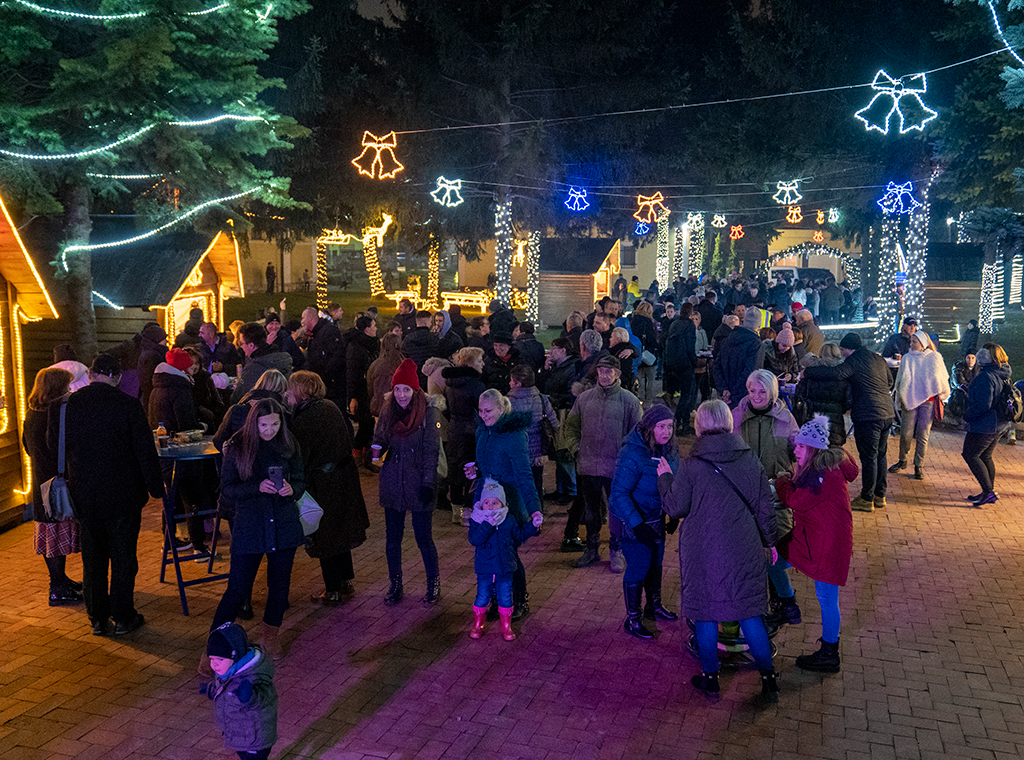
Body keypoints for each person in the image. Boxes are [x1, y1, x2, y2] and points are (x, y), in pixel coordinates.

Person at [656, 399, 779, 703]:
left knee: (706, 614)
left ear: (699, 425)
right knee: (751, 614)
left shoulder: (692, 465)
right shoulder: (750, 459)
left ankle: (711, 677)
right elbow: (765, 508)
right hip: (744, 545)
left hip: (703, 550)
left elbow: (675, 506)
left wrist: (665, 479)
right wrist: (769, 542)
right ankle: (768, 679)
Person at [59, 354, 164, 636]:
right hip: (123, 495)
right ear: (116, 377)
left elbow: (51, 443)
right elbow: (145, 450)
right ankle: (123, 615)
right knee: (123, 556)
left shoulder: (70, 406)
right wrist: (156, 488)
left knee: (93, 558)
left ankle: (96, 617)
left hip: (85, 493)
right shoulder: (128, 405)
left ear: (91, 374)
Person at [208, 398, 304, 662]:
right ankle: (214, 648)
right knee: (237, 588)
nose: (269, 430)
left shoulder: (289, 443)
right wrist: (256, 487)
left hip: (283, 524)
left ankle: (269, 636)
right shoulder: (239, 446)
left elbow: (300, 478)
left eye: (274, 424)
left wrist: (292, 489)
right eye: (264, 424)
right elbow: (227, 489)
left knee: (279, 586)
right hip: (250, 526)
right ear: (254, 422)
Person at [767, 415, 857, 674]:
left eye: (800, 446)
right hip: (813, 539)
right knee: (773, 559)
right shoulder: (823, 469)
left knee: (827, 600)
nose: (795, 450)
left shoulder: (822, 475)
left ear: (814, 449)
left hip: (825, 545)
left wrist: (783, 480)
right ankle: (787, 605)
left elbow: (795, 500)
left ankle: (830, 653)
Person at [288, 371, 369, 606]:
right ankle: (345, 580)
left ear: (302, 390)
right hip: (343, 477)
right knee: (340, 530)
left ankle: (332, 588)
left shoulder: (306, 417)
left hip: (324, 482)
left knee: (326, 535)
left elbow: (301, 454)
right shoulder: (329, 407)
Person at [467, 388, 544, 620]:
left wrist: (534, 509)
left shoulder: (514, 435)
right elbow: (487, 461)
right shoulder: (483, 430)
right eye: (480, 410)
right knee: (488, 550)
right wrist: (476, 470)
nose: (483, 415)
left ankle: (519, 598)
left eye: (488, 410)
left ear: (502, 409)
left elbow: (523, 473)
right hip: (486, 499)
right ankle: (496, 600)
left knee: (507, 553)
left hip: (507, 501)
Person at [371, 359, 442, 606]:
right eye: (398, 389)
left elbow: (431, 451)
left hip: (419, 481)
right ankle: (395, 582)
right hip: (393, 481)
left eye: (406, 389)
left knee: (423, 538)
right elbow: (379, 437)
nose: (401, 394)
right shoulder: (387, 410)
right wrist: (376, 450)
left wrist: (428, 483)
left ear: (416, 390)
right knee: (393, 538)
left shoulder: (428, 413)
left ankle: (433, 582)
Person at [563, 355, 642, 571]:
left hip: (616, 467)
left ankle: (617, 551)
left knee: (616, 511)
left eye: (609, 371)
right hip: (588, 466)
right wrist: (576, 449)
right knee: (591, 511)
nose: (604, 375)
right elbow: (570, 427)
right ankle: (592, 549)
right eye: (601, 371)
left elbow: (638, 435)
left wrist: (627, 460)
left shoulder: (629, 401)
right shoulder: (585, 399)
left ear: (617, 374)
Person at [608, 405, 679, 640]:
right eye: (661, 426)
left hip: (657, 519)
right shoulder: (633, 453)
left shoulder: (669, 449)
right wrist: (637, 525)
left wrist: (672, 514)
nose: (666, 431)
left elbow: (672, 482)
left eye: (670, 426)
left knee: (656, 564)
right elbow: (618, 493)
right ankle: (633, 619)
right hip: (634, 524)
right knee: (638, 568)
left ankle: (654, 606)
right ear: (649, 427)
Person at [803, 332, 893, 513]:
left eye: (843, 349)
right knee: (880, 455)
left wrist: (808, 371)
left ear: (849, 348)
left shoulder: (854, 361)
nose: (842, 353)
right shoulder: (877, 359)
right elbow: (890, 381)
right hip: (887, 413)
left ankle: (867, 498)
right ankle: (879, 495)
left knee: (868, 457)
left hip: (869, 415)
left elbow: (836, 373)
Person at [25, 367, 83, 606]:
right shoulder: (56, 413)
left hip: (41, 481)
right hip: (55, 482)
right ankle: (57, 586)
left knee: (50, 532)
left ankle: (60, 580)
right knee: (56, 532)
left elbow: (29, 447)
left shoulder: (31, 413)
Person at [467, 479, 541, 641]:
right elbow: (474, 539)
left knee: (506, 596)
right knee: (482, 596)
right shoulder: (478, 519)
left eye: (495, 503)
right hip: (485, 569)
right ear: (482, 503)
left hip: (505, 567)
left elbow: (519, 536)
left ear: (502, 504)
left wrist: (532, 526)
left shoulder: (508, 520)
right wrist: (487, 524)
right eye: (487, 502)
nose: (491, 506)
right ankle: (478, 624)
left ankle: (506, 626)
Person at [203, 622, 278, 760]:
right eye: (212, 658)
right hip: (240, 735)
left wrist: (250, 697)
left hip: (256, 739)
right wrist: (211, 690)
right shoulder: (226, 672)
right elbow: (224, 692)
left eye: (220, 659)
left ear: (236, 656)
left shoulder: (255, 674)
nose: (214, 664)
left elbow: (267, 697)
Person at [890, 332, 951, 479]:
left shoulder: (934, 358)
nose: (911, 344)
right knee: (906, 433)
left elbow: (942, 377)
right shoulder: (907, 358)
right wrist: (900, 397)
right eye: (911, 341)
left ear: (923, 343)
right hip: (910, 399)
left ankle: (919, 465)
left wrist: (942, 393)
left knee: (923, 434)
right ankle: (902, 460)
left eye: (914, 341)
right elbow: (901, 379)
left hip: (928, 401)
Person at [443, 347, 488, 525]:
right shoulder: (475, 385)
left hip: (455, 429)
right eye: (479, 361)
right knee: (471, 470)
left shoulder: (450, 382)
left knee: (455, 469)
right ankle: (468, 510)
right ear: (470, 364)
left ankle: (456, 510)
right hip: (471, 432)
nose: (483, 364)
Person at [962, 346, 1011, 506]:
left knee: (970, 454)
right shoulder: (1002, 372)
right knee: (985, 456)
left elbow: (983, 404)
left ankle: (988, 492)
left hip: (985, 425)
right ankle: (987, 491)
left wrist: (967, 415)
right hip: (998, 423)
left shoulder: (986, 376)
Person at [507, 364, 558, 514]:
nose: (509, 383)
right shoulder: (542, 399)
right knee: (536, 483)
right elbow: (554, 422)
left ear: (518, 383)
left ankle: (520, 514)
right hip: (538, 452)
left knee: (517, 484)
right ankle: (537, 514)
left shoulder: (509, 401)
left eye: (511, 380)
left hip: (518, 451)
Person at [732, 370, 798, 480]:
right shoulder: (736, 417)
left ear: (772, 393)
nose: (756, 396)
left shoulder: (785, 418)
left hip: (778, 484)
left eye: (762, 392)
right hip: (743, 482)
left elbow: (798, 451)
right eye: (752, 391)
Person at [539, 338, 579, 509]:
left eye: (554, 348)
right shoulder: (556, 367)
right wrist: (546, 369)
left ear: (564, 350)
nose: (551, 351)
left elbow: (570, 393)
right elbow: (543, 385)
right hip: (554, 411)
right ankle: (560, 488)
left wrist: (554, 399)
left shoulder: (571, 368)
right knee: (557, 450)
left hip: (563, 412)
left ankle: (570, 490)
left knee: (564, 452)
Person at [794, 343, 849, 446]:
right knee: (833, 456)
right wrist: (838, 409)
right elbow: (848, 400)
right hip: (835, 424)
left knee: (813, 453)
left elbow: (798, 395)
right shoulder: (843, 376)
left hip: (813, 420)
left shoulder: (809, 373)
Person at [713, 306, 765, 409]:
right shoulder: (756, 344)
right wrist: (734, 395)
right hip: (745, 398)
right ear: (759, 325)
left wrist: (724, 389)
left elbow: (716, 366)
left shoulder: (727, 339)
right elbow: (751, 373)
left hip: (726, 396)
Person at [346, 314, 380, 467]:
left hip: (369, 391)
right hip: (361, 392)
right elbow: (352, 374)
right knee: (365, 425)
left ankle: (366, 459)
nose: (376, 328)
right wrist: (353, 397)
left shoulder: (370, 345)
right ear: (367, 330)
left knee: (369, 425)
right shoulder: (356, 348)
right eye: (374, 326)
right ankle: (358, 459)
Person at [232, 323, 293, 403]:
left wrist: (238, 386)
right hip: (282, 411)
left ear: (251, 345)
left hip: (261, 412)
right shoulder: (281, 360)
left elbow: (237, 398)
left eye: (241, 343)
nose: (241, 347)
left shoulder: (253, 368)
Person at [301, 307, 344, 404]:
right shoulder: (314, 335)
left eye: (303, 318)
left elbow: (336, 358)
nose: (302, 322)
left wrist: (322, 378)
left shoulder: (328, 332)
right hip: (320, 386)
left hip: (331, 389)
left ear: (311, 318)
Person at [138, 322, 167, 408]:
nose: (166, 341)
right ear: (157, 339)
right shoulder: (152, 356)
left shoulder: (151, 353)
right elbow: (148, 381)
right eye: (163, 338)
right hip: (153, 397)